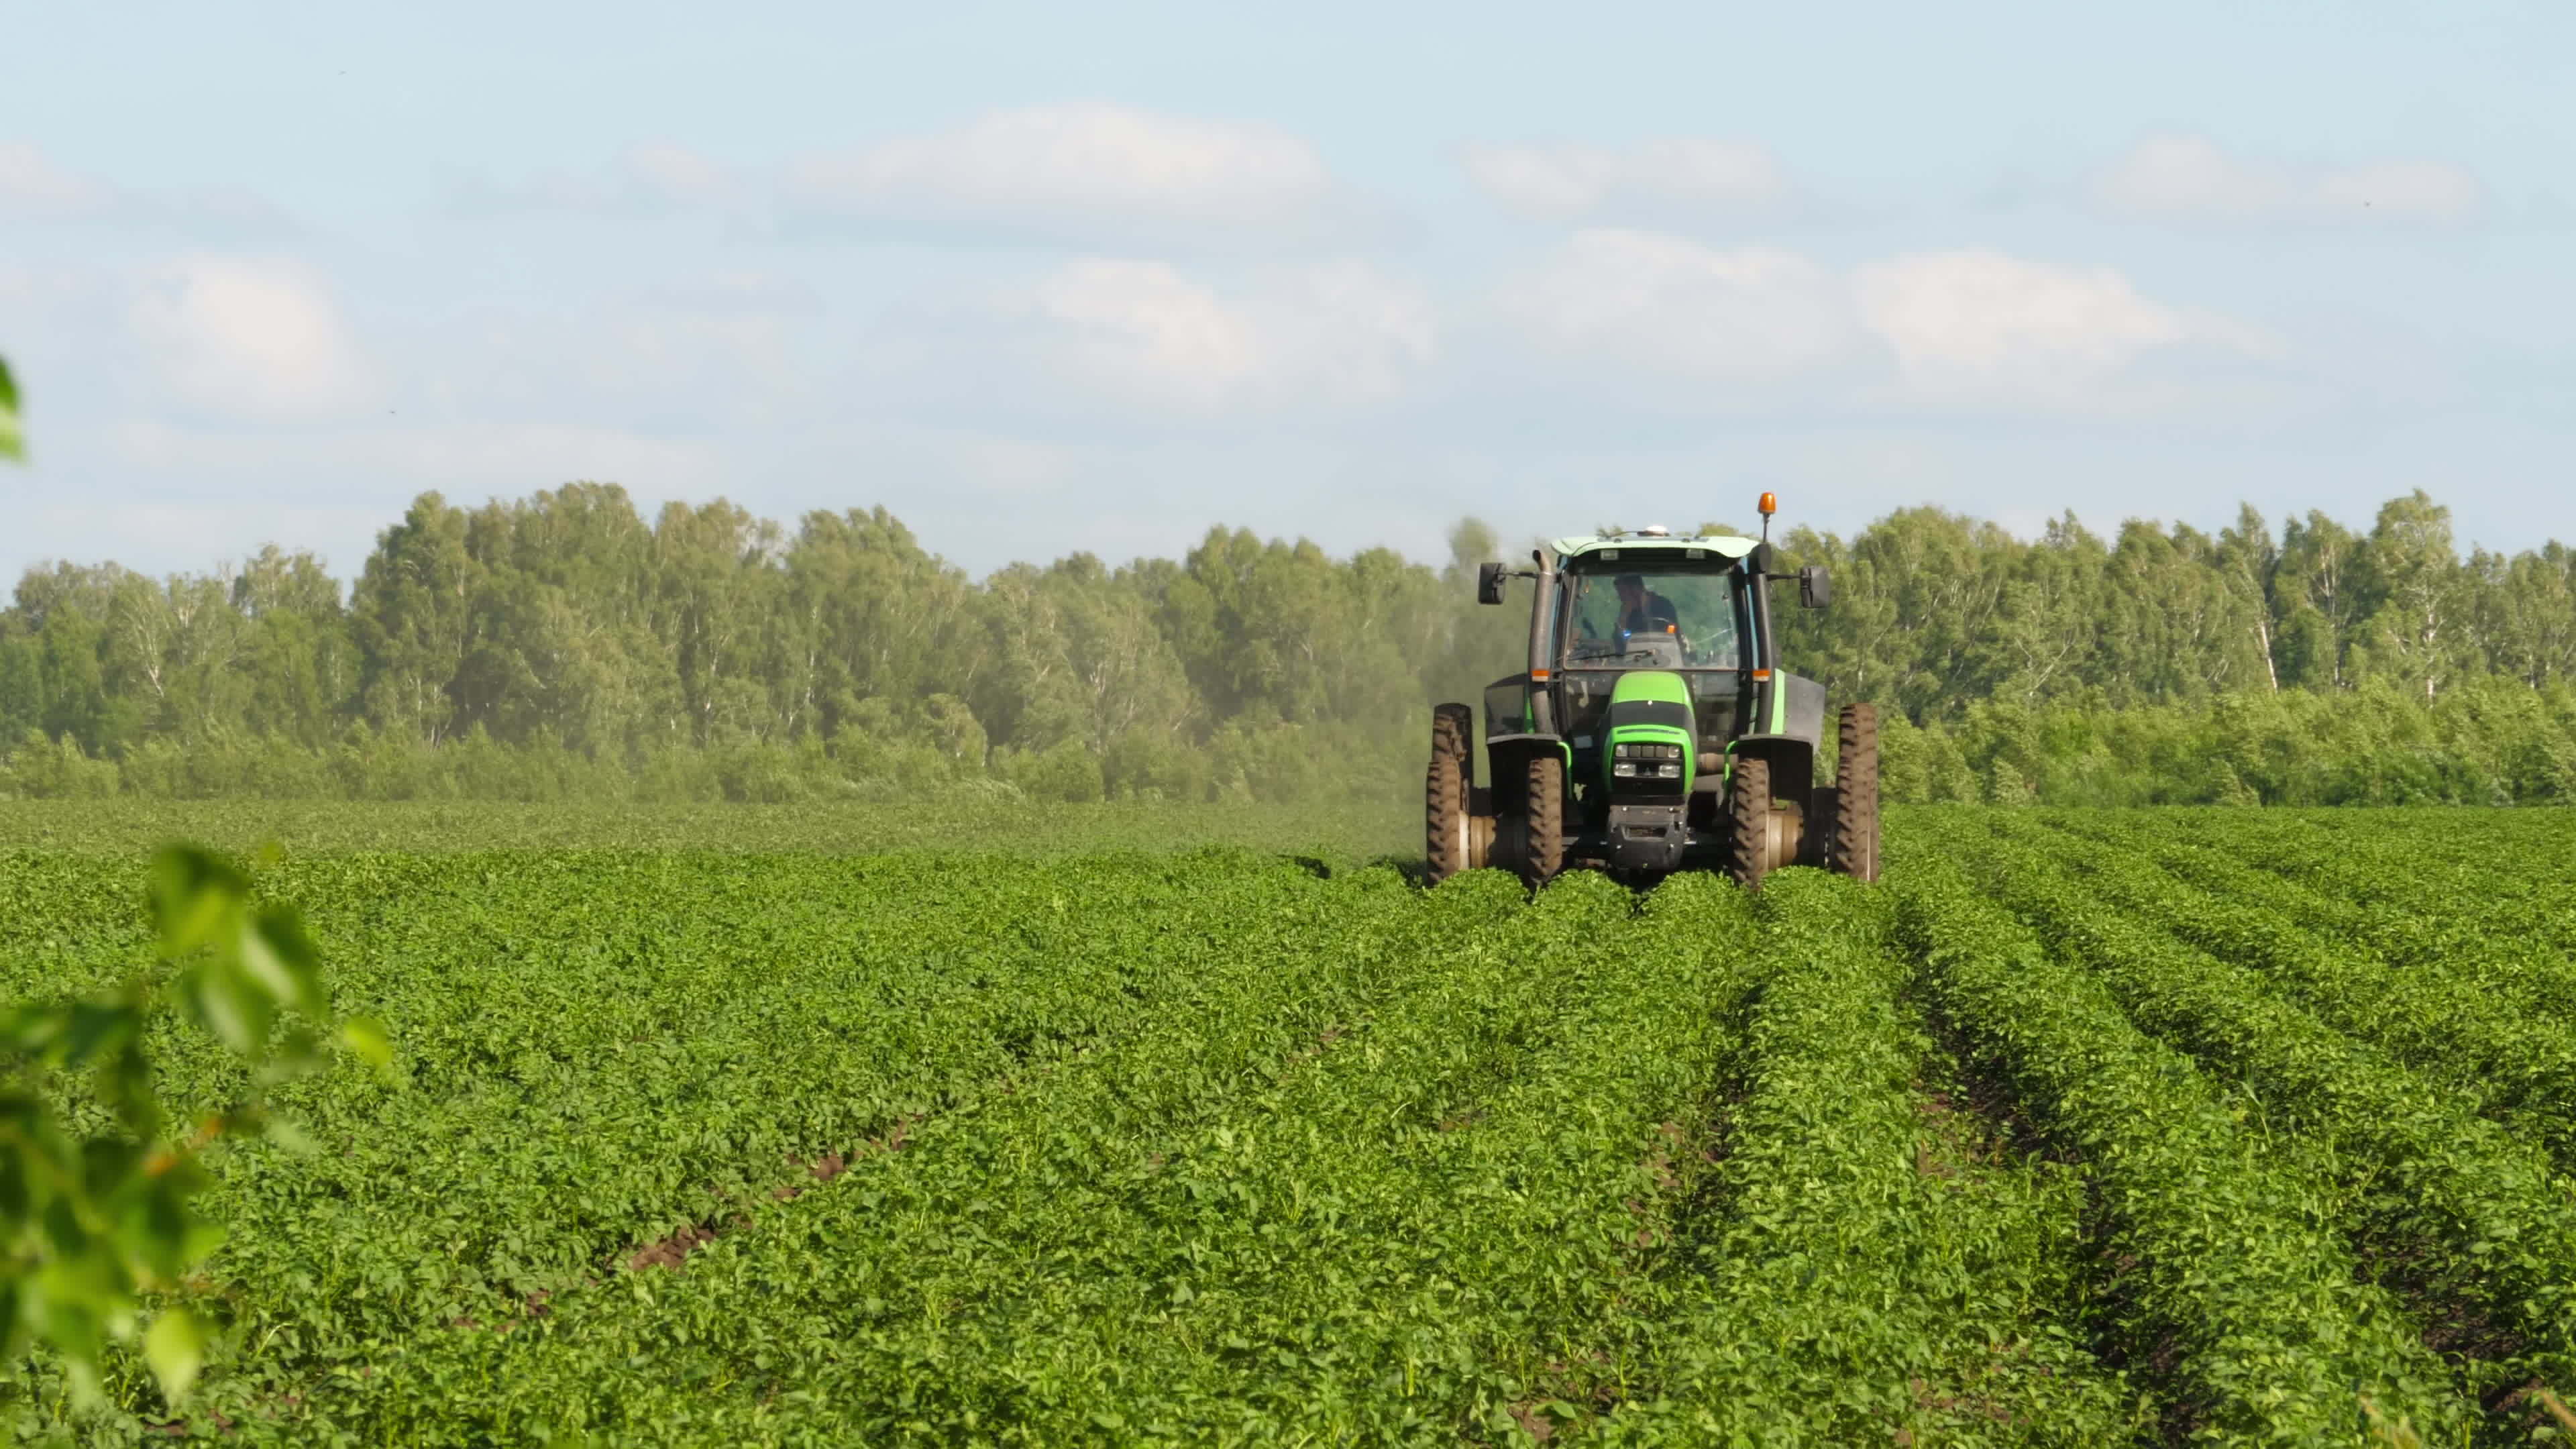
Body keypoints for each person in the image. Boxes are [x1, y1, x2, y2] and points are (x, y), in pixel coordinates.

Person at [1613, 574, 1680, 641]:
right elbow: (1626, 640)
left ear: (1635, 589)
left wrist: (1668, 636)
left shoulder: (1664, 605)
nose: (1621, 598)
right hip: (1639, 650)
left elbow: (1673, 628)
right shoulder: (1628, 615)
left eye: (1623, 592)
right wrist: (1622, 625)